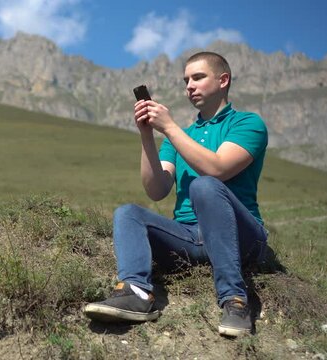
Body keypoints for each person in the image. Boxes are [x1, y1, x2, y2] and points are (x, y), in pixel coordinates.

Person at [83, 51, 268, 337]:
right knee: (128, 213)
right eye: (186, 80)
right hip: (191, 239)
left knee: (204, 185)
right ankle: (136, 292)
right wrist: (148, 134)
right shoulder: (180, 136)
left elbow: (217, 168)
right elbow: (156, 189)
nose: (189, 86)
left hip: (241, 237)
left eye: (198, 77)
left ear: (223, 80)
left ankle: (235, 300)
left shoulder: (247, 124)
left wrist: (169, 127)